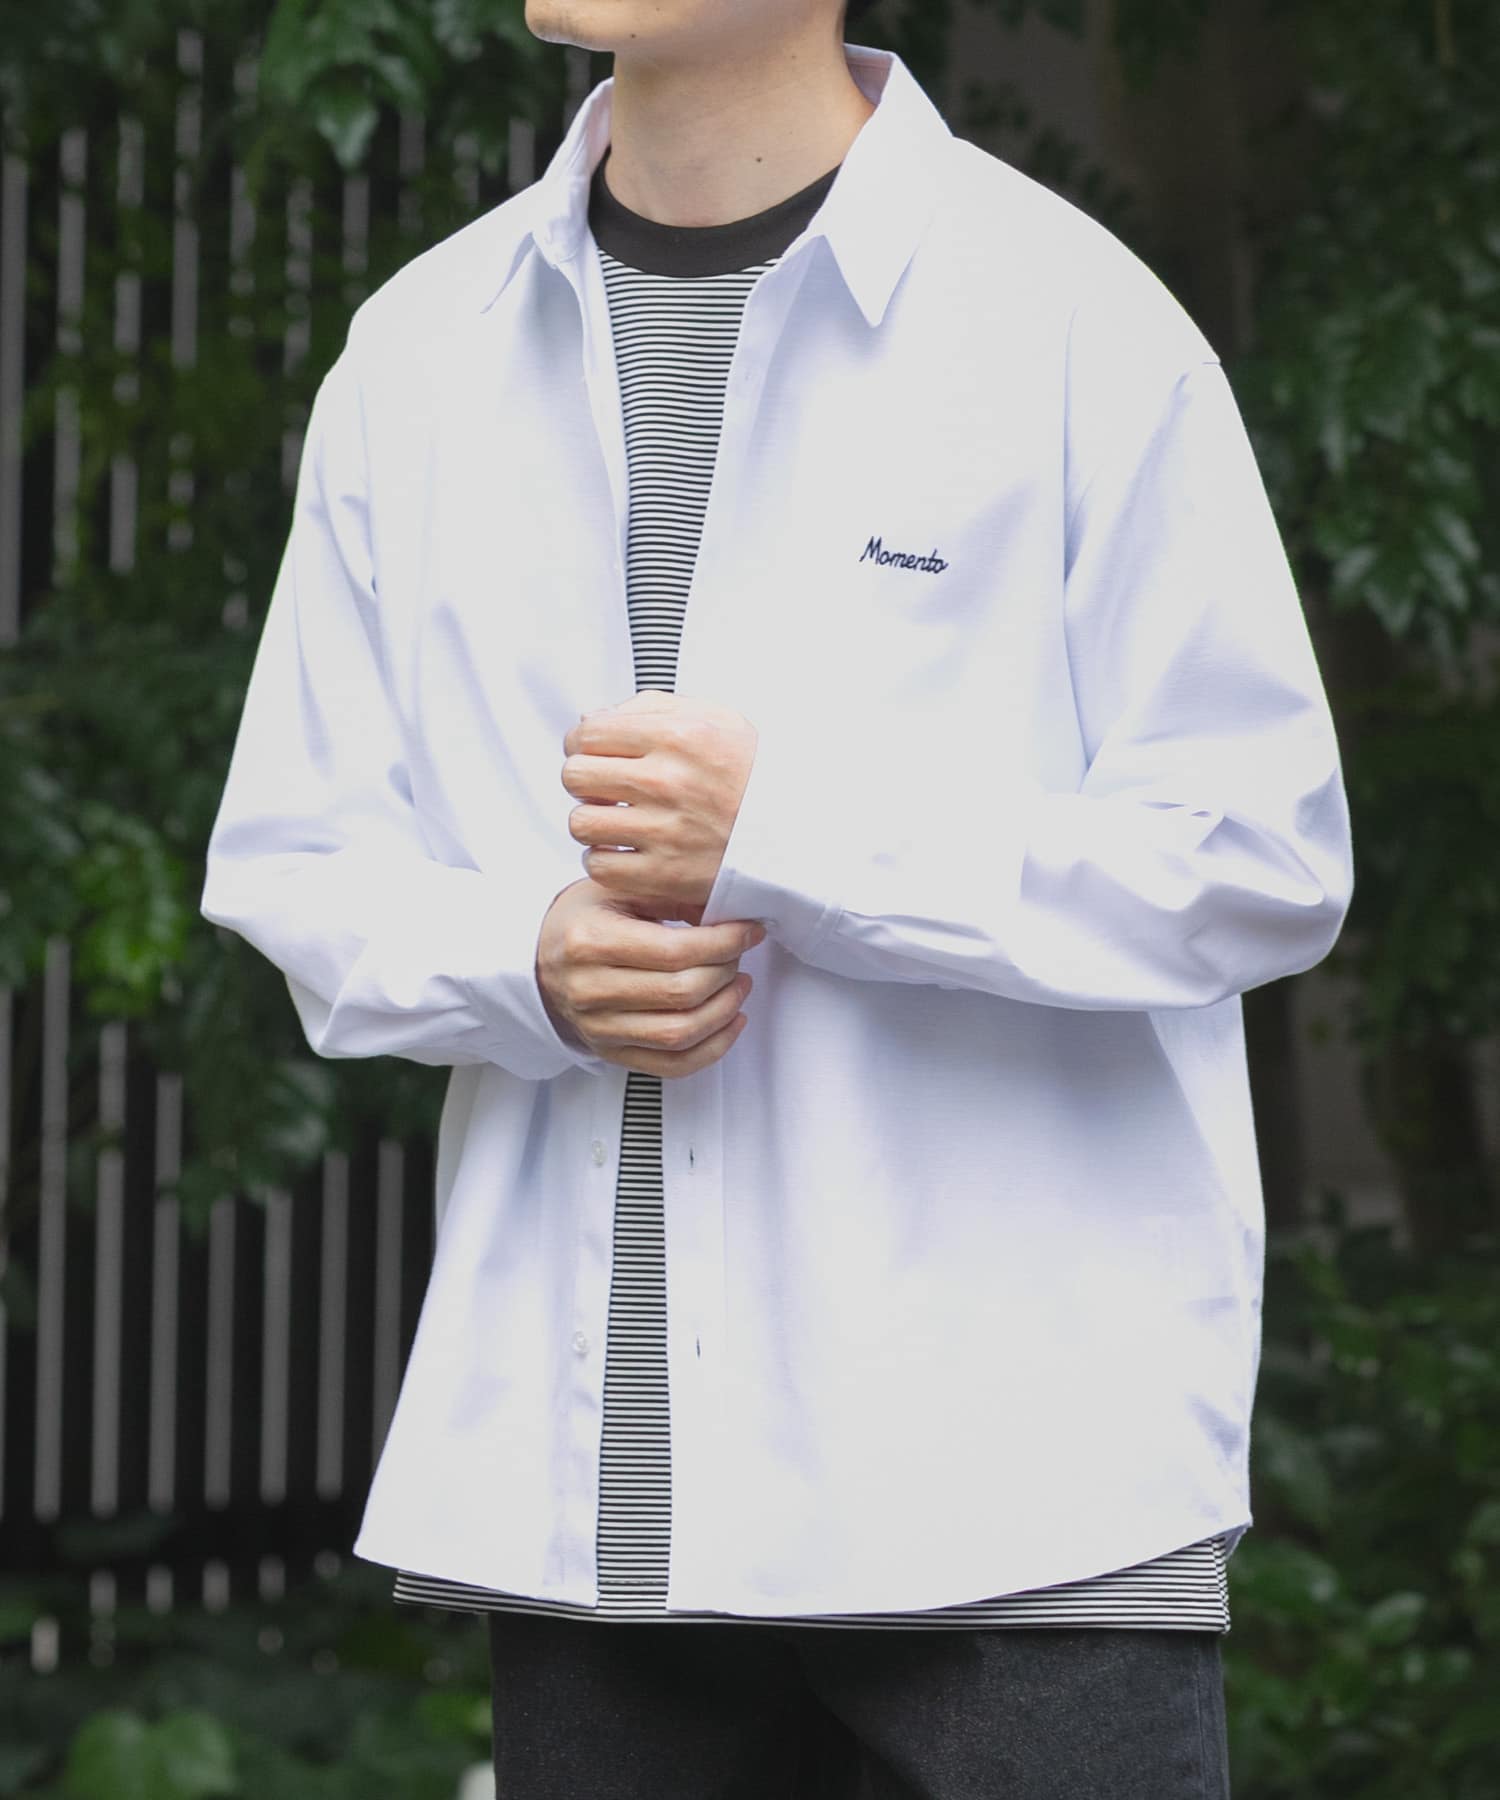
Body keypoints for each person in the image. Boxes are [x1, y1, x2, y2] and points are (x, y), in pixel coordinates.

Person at [200, 0, 1354, 1793]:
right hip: (601, 1530)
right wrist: (523, 960)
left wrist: (796, 838)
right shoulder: (419, 350)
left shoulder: (1070, 320)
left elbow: (1258, 855)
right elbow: (296, 859)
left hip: (1020, 1505)